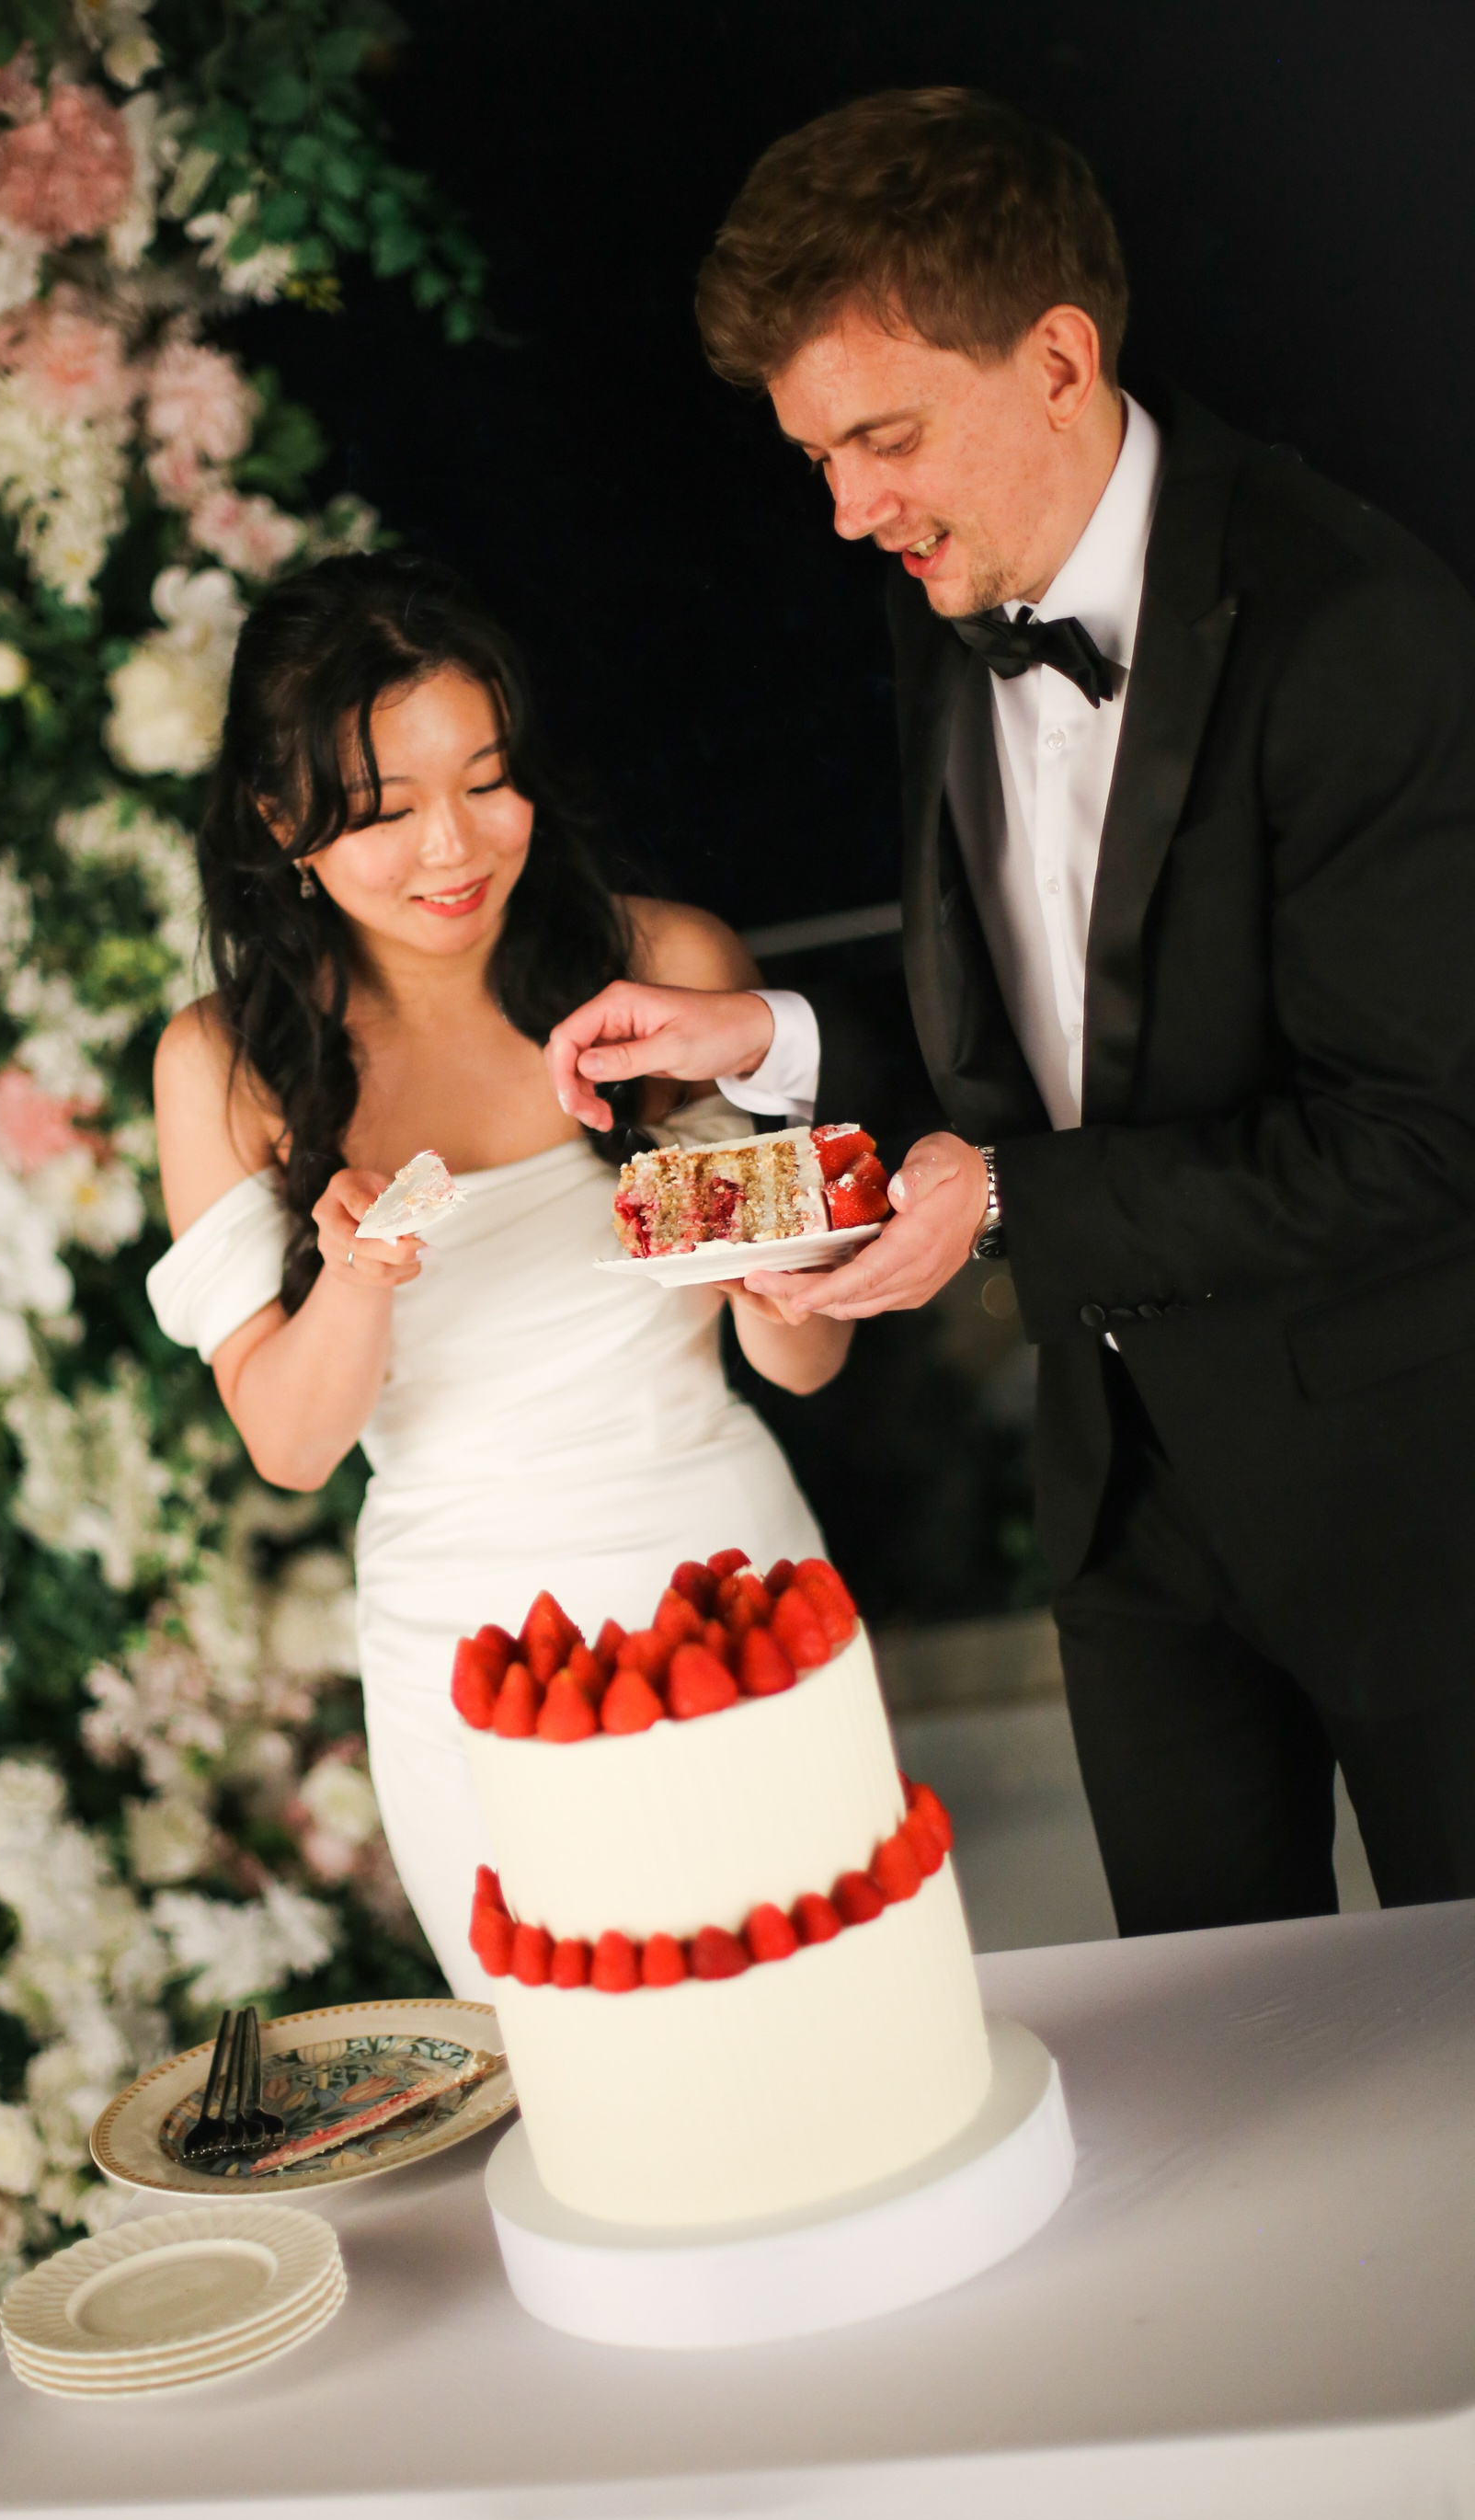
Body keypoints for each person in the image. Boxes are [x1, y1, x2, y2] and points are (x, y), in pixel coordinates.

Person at [548, 86, 1475, 1935]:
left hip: (1414, 1507)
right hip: (1123, 1505)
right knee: (1206, 2052)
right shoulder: (948, 590)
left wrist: (1009, 1207)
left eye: (881, 438)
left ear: (1058, 361)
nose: (846, 512)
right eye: (817, 456)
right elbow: (1042, 1033)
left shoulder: (1355, 623)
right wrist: (773, 1042)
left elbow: (1422, 1134)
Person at [148, 553, 849, 1995]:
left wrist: (782, 1271)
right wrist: (355, 1277)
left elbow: (805, 1358)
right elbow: (292, 1444)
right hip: (467, 1637)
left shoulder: (664, 960)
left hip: (723, 1561)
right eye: (386, 810)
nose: (454, 848)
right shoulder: (225, 1063)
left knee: (816, 2003)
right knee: (575, 2055)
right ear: (281, 821)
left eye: (487, 781)